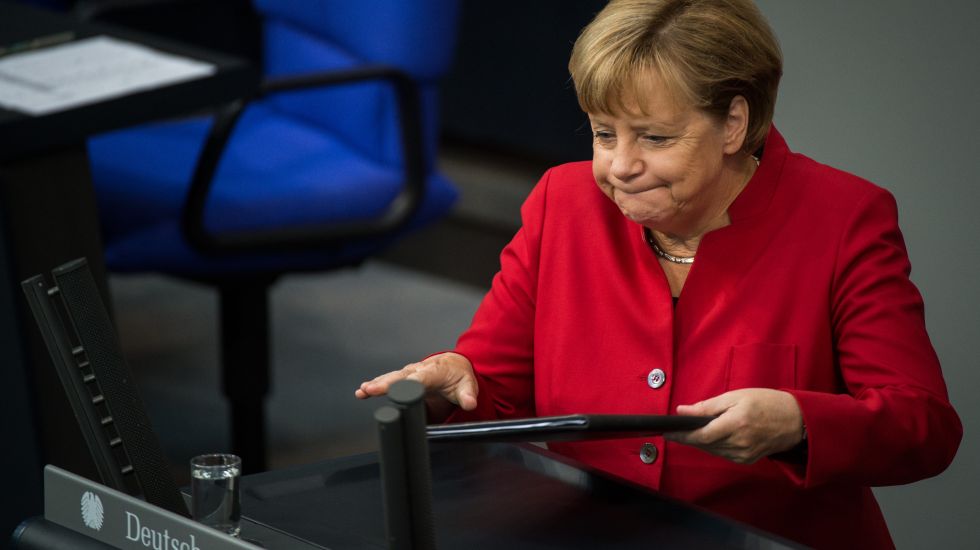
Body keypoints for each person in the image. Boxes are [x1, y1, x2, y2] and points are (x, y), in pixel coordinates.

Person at [355, 0, 962, 547]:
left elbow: (923, 427)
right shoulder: (559, 203)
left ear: (733, 124)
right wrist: (454, 386)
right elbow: (495, 390)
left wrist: (799, 425)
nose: (620, 166)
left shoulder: (844, 218)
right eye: (602, 133)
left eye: (654, 137)